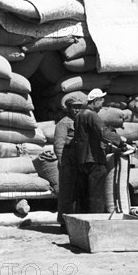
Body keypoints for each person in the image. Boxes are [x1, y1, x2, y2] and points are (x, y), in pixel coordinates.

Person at [74, 88, 124, 213]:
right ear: (95, 100)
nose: (102, 105)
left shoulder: (79, 115)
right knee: (96, 194)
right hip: (94, 160)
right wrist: (120, 139)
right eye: (101, 101)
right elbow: (103, 133)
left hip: (82, 160)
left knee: (84, 194)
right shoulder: (92, 115)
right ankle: (96, 220)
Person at [53, 96, 83, 231]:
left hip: (78, 161)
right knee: (67, 194)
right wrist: (62, 163)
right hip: (67, 161)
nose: (77, 110)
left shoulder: (80, 121)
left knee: (78, 194)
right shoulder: (63, 123)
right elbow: (59, 145)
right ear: (68, 108)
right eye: (74, 107)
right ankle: (64, 223)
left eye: (79, 107)